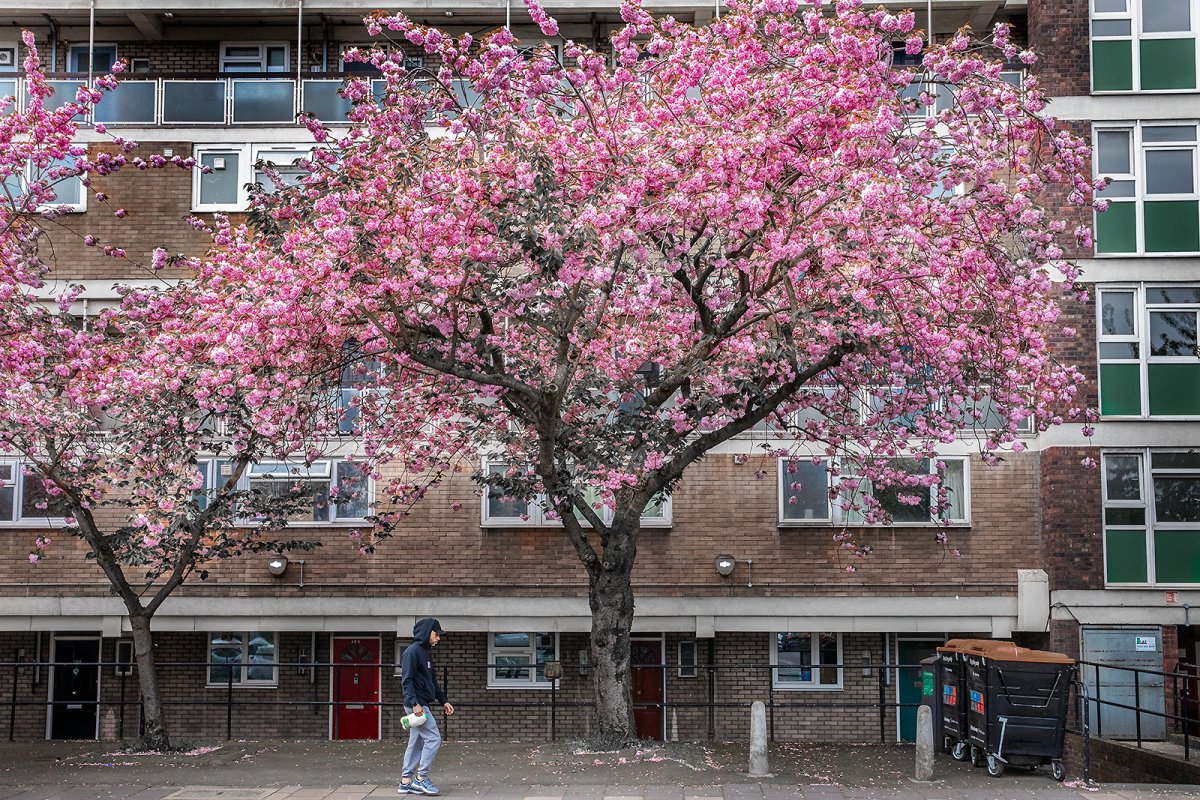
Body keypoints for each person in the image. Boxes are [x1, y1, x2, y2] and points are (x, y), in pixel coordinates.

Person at [399, 617, 453, 796]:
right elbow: (406, 680)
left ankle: (406, 782)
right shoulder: (413, 652)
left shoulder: (424, 653)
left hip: (420, 704)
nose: (438, 638)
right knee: (434, 739)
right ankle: (421, 778)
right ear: (426, 633)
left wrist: (443, 700)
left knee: (416, 742)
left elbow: (433, 683)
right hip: (418, 706)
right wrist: (415, 703)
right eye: (436, 634)